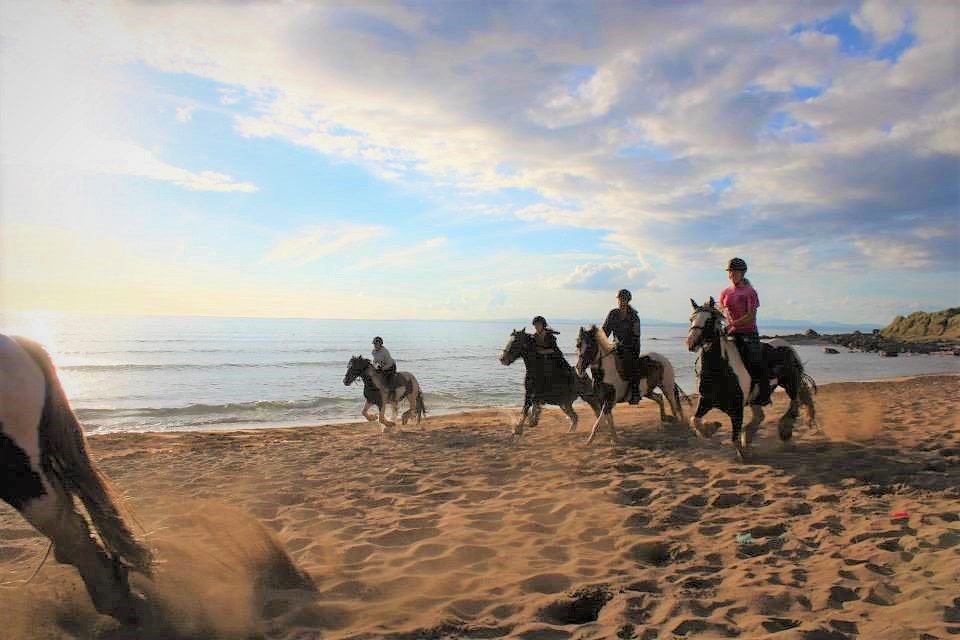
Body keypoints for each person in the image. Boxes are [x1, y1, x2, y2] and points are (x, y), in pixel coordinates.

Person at [718, 257, 770, 406]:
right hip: (730, 333)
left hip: (748, 333)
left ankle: (764, 395)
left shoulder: (750, 292)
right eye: (730, 272)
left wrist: (732, 325)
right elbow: (722, 313)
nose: (731, 275)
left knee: (754, 362)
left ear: (742, 273)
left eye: (734, 272)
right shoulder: (725, 292)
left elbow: (751, 316)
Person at [602, 289, 643, 403]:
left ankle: (634, 393)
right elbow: (605, 331)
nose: (621, 301)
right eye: (619, 299)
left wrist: (624, 344)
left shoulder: (634, 317)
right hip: (616, 346)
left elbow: (636, 335)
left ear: (628, 300)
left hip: (632, 347)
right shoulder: (613, 314)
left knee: (632, 364)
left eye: (624, 299)